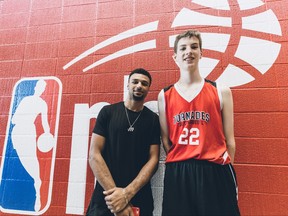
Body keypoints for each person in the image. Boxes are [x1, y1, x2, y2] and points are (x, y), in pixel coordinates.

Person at [158, 30, 240, 215]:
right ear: (175, 56)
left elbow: (230, 140)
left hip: (214, 169)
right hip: (179, 171)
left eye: (194, 47)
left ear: (201, 53)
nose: (189, 51)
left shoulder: (221, 91)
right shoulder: (165, 95)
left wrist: (223, 167)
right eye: (183, 48)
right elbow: (166, 140)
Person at [86, 68, 160, 216]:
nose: (139, 85)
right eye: (135, 82)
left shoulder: (153, 119)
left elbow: (154, 159)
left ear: (148, 89)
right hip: (106, 197)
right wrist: (117, 199)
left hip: (139, 196)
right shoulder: (108, 112)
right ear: (128, 85)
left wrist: (127, 194)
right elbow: (94, 155)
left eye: (144, 83)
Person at [11, 79, 51, 212]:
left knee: (32, 159)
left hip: (29, 131)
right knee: (22, 161)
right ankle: (34, 183)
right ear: (36, 87)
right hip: (18, 132)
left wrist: (48, 134)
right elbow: (13, 119)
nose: (41, 89)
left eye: (43, 87)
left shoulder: (42, 104)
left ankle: (38, 189)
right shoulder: (26, 100)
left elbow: (45, 122)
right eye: (40, 86)